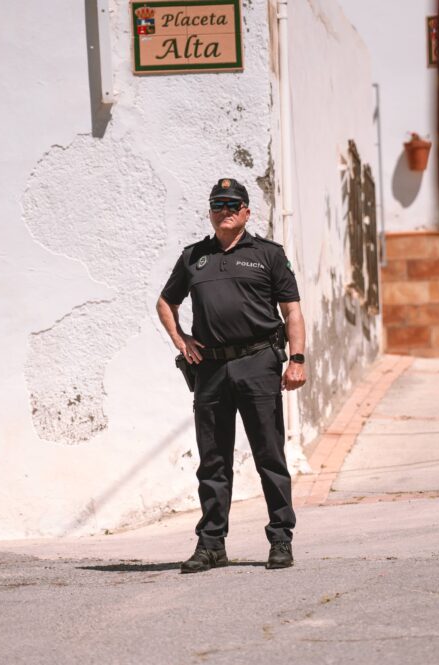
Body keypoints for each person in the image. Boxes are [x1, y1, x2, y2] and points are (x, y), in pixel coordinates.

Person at [157, 178, 307, 573]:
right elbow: (166, 302)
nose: (224, 210)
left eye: (232, 204)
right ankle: (211, 545)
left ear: (246, 212)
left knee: (269, 456)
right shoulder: (194, 257)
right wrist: (181, 340)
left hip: (258, 362)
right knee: (213, 461)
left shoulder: (268, 254)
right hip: (210, 368)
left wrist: (297, 359)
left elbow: (292, 310)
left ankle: (280, 539)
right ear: (210, 212)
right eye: (217, 204)